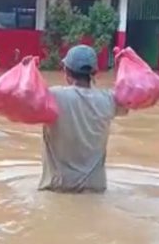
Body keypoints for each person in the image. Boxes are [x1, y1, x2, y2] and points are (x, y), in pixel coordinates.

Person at [35, 45, 129, 193]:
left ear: (66, 70)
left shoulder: (52, 97)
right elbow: (130, 102)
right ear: (95, 72)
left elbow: (19, 106)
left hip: (58, 190)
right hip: (95, 190)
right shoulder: (109, 100)